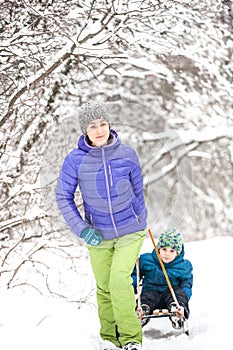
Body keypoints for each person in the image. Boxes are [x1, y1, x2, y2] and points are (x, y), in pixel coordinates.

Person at [56, 101, 148, 350]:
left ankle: (131, 339)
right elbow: (63, 197)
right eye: (93, 126)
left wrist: (140, 218)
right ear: (85, 130)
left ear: (110, 125)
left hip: (131, 230)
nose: (99, 130)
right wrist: (83, 229)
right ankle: (110, 338)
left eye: (103, 124)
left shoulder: (127, 153)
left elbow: (138, 190)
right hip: (98, 233)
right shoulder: (75, 160)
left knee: (119, 280)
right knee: (105, 288)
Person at [132, 228, 193, 328]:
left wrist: (185, 296)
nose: (167, 254)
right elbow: (136, 274)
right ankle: (143, 311)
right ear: (158, 248)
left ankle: (177, 313)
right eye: (164, 249)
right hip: (151, 292)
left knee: (179, 293)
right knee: (147, 297)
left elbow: (186, 283)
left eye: (172, 251)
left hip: (171, 295)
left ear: (177, 253)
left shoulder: (183, 266)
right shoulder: (147, 260)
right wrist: (133, 284)